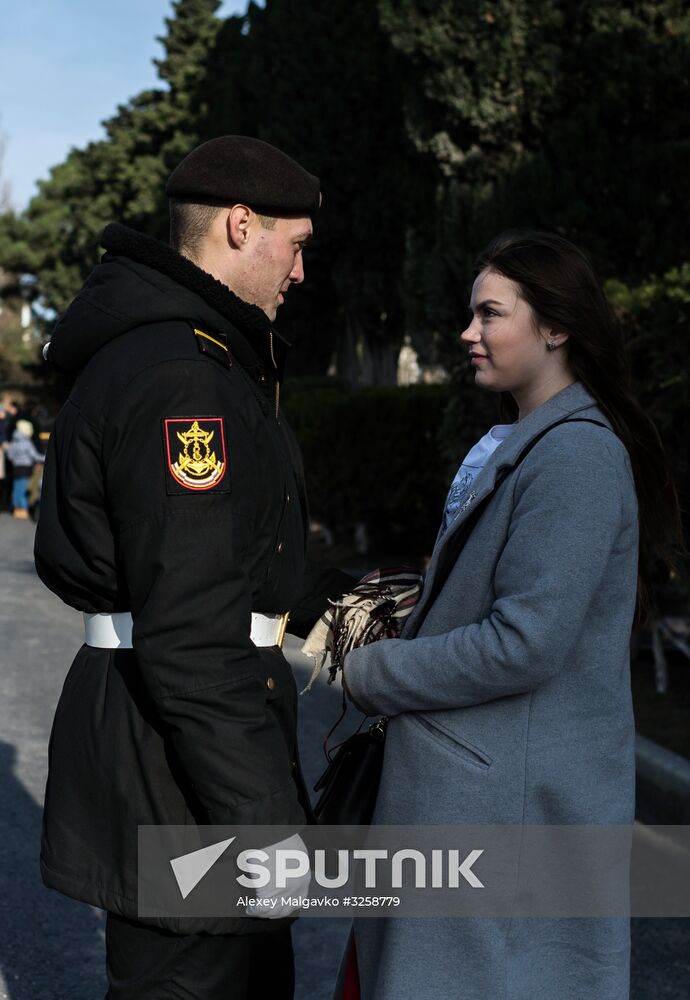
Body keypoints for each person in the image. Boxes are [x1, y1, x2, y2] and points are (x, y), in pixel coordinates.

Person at [34, 135, 350, 1000]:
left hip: (171, 752)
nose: (297, 272)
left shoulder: (186, 354)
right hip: (183, 776)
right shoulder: (185, 377)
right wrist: (265, 827)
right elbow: (189, 630)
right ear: (241, 226)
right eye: (294, 246)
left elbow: (233, 562)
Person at [336, 230, 682, 999]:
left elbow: (525, 642)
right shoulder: (528, 442)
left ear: (555, 326)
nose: (469, 333)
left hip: (506, 824)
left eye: (490, 314)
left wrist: (372, 670)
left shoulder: (577, 456)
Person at [6, 418, 44, 519]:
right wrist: (45, 458)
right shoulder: (27, 442)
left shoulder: (14, 442)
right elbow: (34, 456)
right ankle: (24, 509)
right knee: (24, 489)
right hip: (26, 468)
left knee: (17, 488)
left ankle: (17, 509)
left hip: (16, 468)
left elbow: (10, 456)